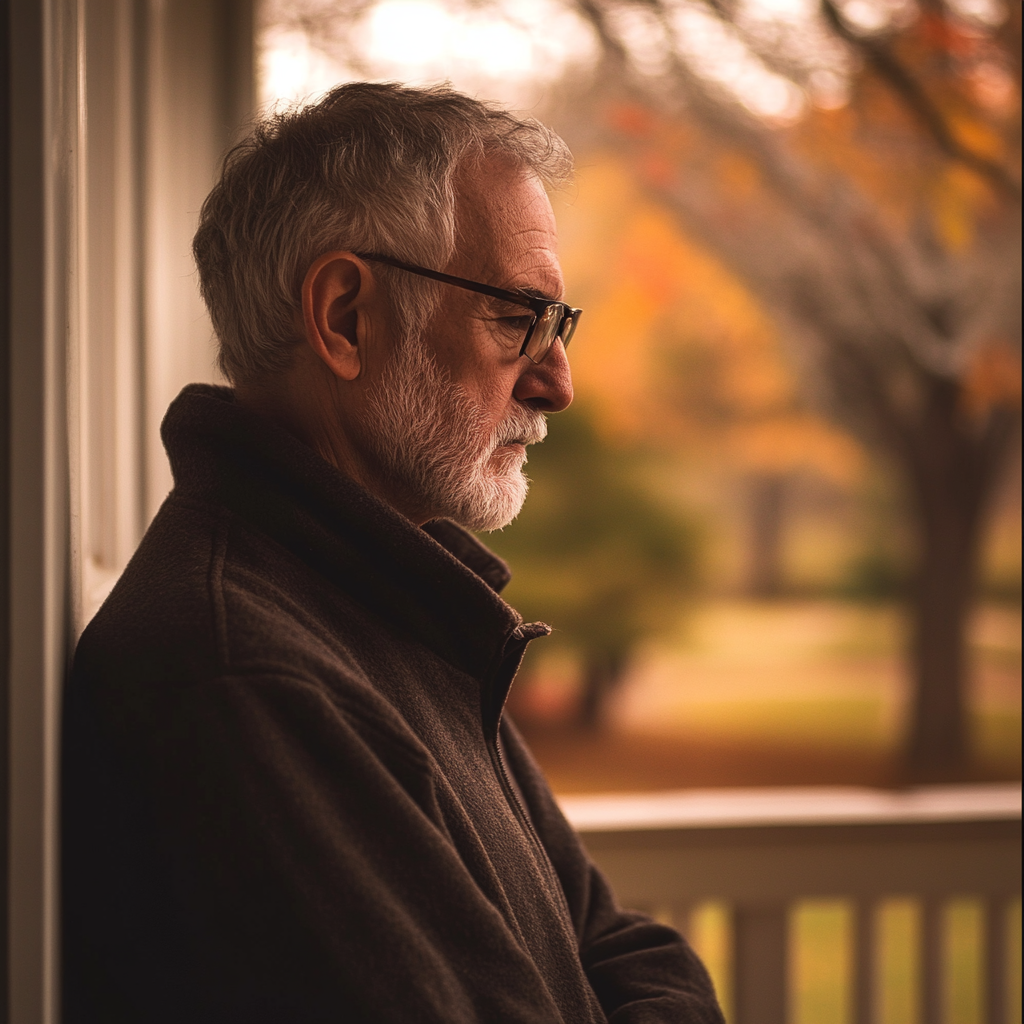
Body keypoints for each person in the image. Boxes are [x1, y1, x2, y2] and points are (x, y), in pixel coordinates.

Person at [61, 82, 723, 1024]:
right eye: (516, 319)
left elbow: (623, 946)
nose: (557, 382)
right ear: (344, 318)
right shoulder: (250, 676)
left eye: (557, 325)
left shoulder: (387, 606)